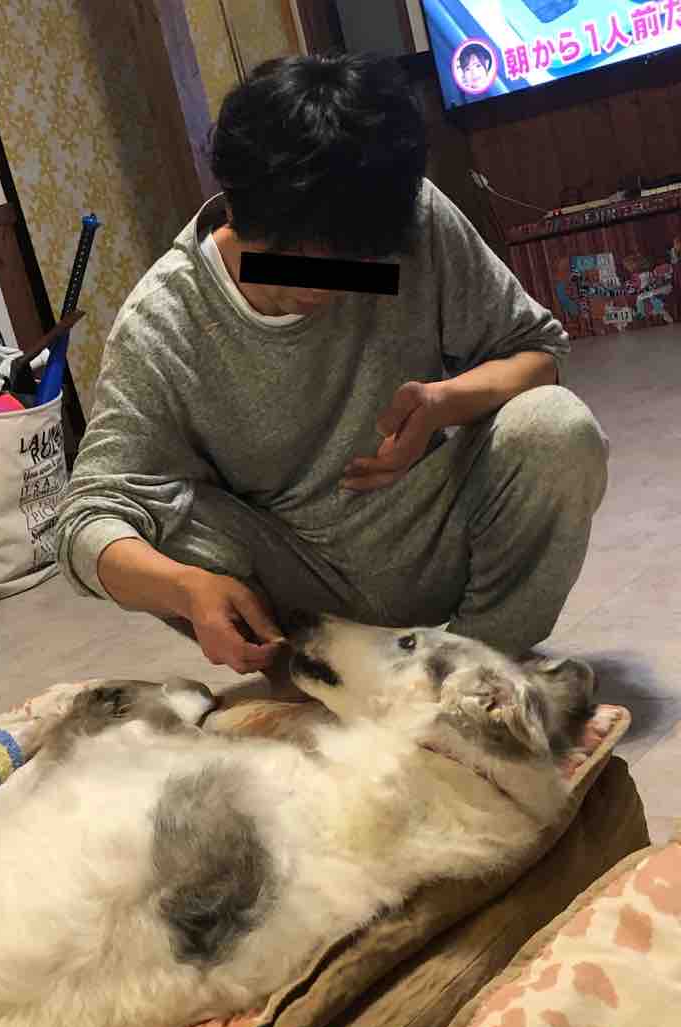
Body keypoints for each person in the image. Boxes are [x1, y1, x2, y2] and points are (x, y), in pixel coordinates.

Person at [55, 54, 607, 682]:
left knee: (556, 427)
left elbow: (539, 351)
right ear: (237, 209)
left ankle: (473, 670)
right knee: (155, 526)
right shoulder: (167, 320)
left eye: (351, 264)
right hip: (300, 590)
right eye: (292, 258)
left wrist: (444, 403)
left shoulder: (407, 216)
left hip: (436, 536)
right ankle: (334, 678)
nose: (320, 288)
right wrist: (185, 588)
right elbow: (86, 518)